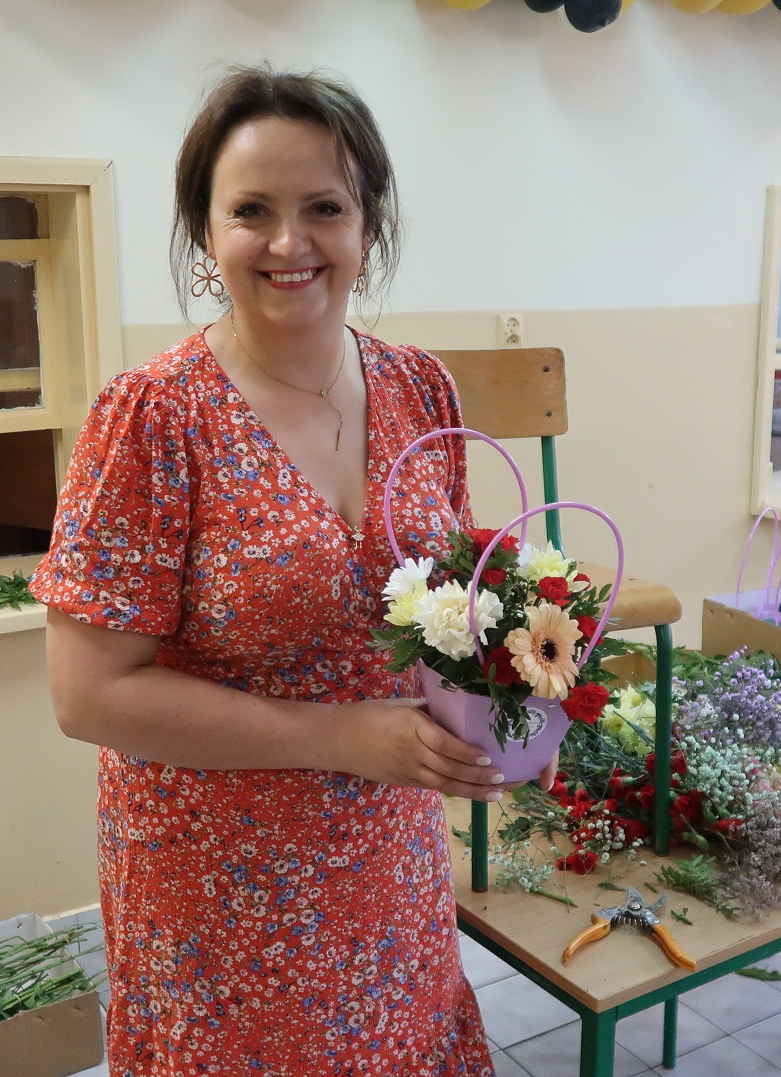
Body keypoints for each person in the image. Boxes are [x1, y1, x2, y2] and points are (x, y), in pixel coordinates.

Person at [32, 67, 540, 1074]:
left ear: (368, 224)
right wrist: (339, 735)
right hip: (218, 895)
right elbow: (86, 696)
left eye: (324, 208)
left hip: (386, 865)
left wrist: (515, 712)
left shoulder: (420, 387)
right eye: (251, 211)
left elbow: (453, 609)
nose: (288, 242)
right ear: (205, 229)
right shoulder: (154, 418)